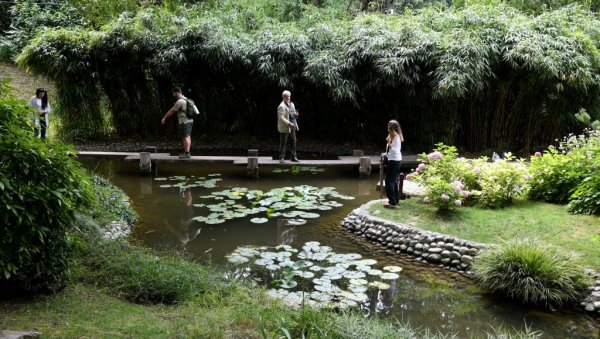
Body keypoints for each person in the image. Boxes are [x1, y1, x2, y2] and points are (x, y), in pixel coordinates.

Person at [161, 87, 193, 159]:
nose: (173, 94)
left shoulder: (180, 101)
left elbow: (172, 111)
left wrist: (164, 118)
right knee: (188, 136)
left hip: (184, 121)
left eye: (173, 93)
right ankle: (187, 152)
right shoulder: (186, 99)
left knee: (185, 137)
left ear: (177, 92)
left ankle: (187, 153)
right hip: (190, 120)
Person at [382, 120, 404, 208]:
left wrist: (389, 144)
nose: (387, 126)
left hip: (395, 161)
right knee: (394, 180)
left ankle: (392, 201)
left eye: (389, 125)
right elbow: (391, 151)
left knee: (389, 181)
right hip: (394, 160)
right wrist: (386, 154)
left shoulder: (396, 137)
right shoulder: (393, 136)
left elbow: (396, 150)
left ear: (391, 127)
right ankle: (395, 200)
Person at [277, 90, 299, 163]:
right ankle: (281, 157)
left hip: (293, 125)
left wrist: (296, 114)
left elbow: (293, 113)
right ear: (283, 97)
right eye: (287, 96)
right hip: (285, 126)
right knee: (284, 142)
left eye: (289, 96)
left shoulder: (292, 104)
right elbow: (281, 117)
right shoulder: (281, 106)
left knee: (293, 141)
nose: (289, 97)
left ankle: (293, 157)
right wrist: (289, 123)